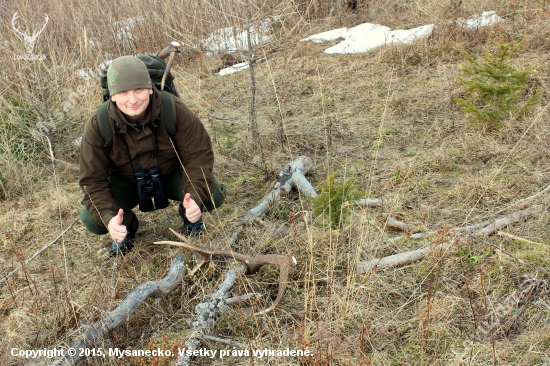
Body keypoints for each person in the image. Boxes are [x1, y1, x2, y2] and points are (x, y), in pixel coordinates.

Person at [78, 55, 225, 255]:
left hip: (171, 173)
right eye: (123, 92)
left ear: (149, 88)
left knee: (213, 194)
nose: (133, 100)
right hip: (126, 181)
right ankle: (126, 225)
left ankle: (187, 211)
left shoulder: (172, 108)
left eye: (139, 89)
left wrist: (195, 197)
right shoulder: (99, 124)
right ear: (112, 95)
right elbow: (92, 180)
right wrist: (109, 219)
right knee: (92, 219)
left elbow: (198, 156)